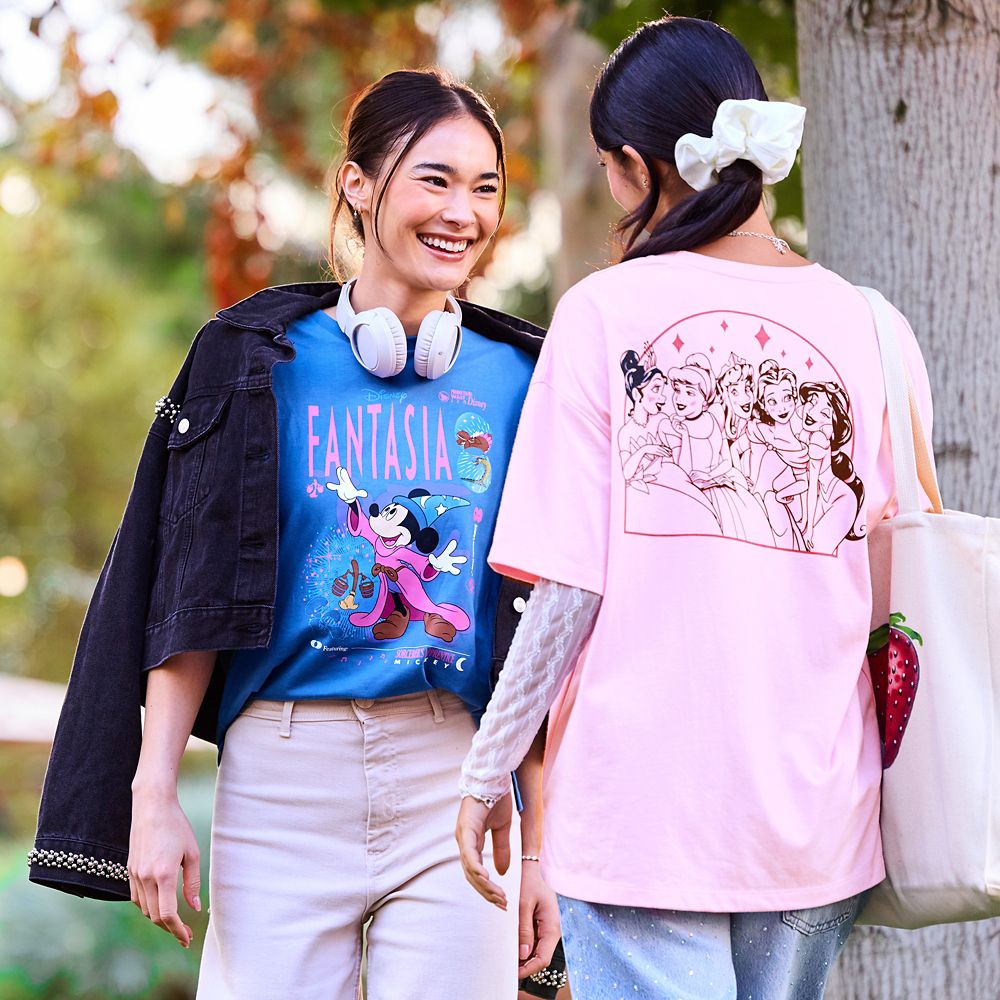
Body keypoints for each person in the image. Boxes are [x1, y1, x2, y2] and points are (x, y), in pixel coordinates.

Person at [29, 69, 561, 999]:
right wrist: (152, 793)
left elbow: (542, 619)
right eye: (434, 179)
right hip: (281, 779)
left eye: (485, 187)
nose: (463, 213)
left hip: (458, 777)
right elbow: (186, 583)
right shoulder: (252, 361)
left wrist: (547, 849)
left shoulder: (525, 377)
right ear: (358, 184)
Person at [455, 16, 935, 1000]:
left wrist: (486, 768)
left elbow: (566, 592)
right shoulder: (872, 326)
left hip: (644, 817)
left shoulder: (602, 314)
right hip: (814, 819)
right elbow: (902, 573)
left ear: (632, 168)